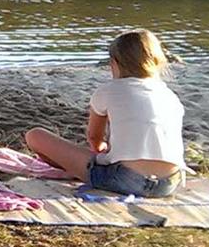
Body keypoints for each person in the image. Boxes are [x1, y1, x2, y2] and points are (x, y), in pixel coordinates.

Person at [24, 29, 187, 198]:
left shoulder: (109, 90)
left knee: (35, 135)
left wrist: (102, 149)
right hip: (169, 183)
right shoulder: (170, 96)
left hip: (126, 178)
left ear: (114, 63)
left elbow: (95, 138)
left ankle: (73, 170)